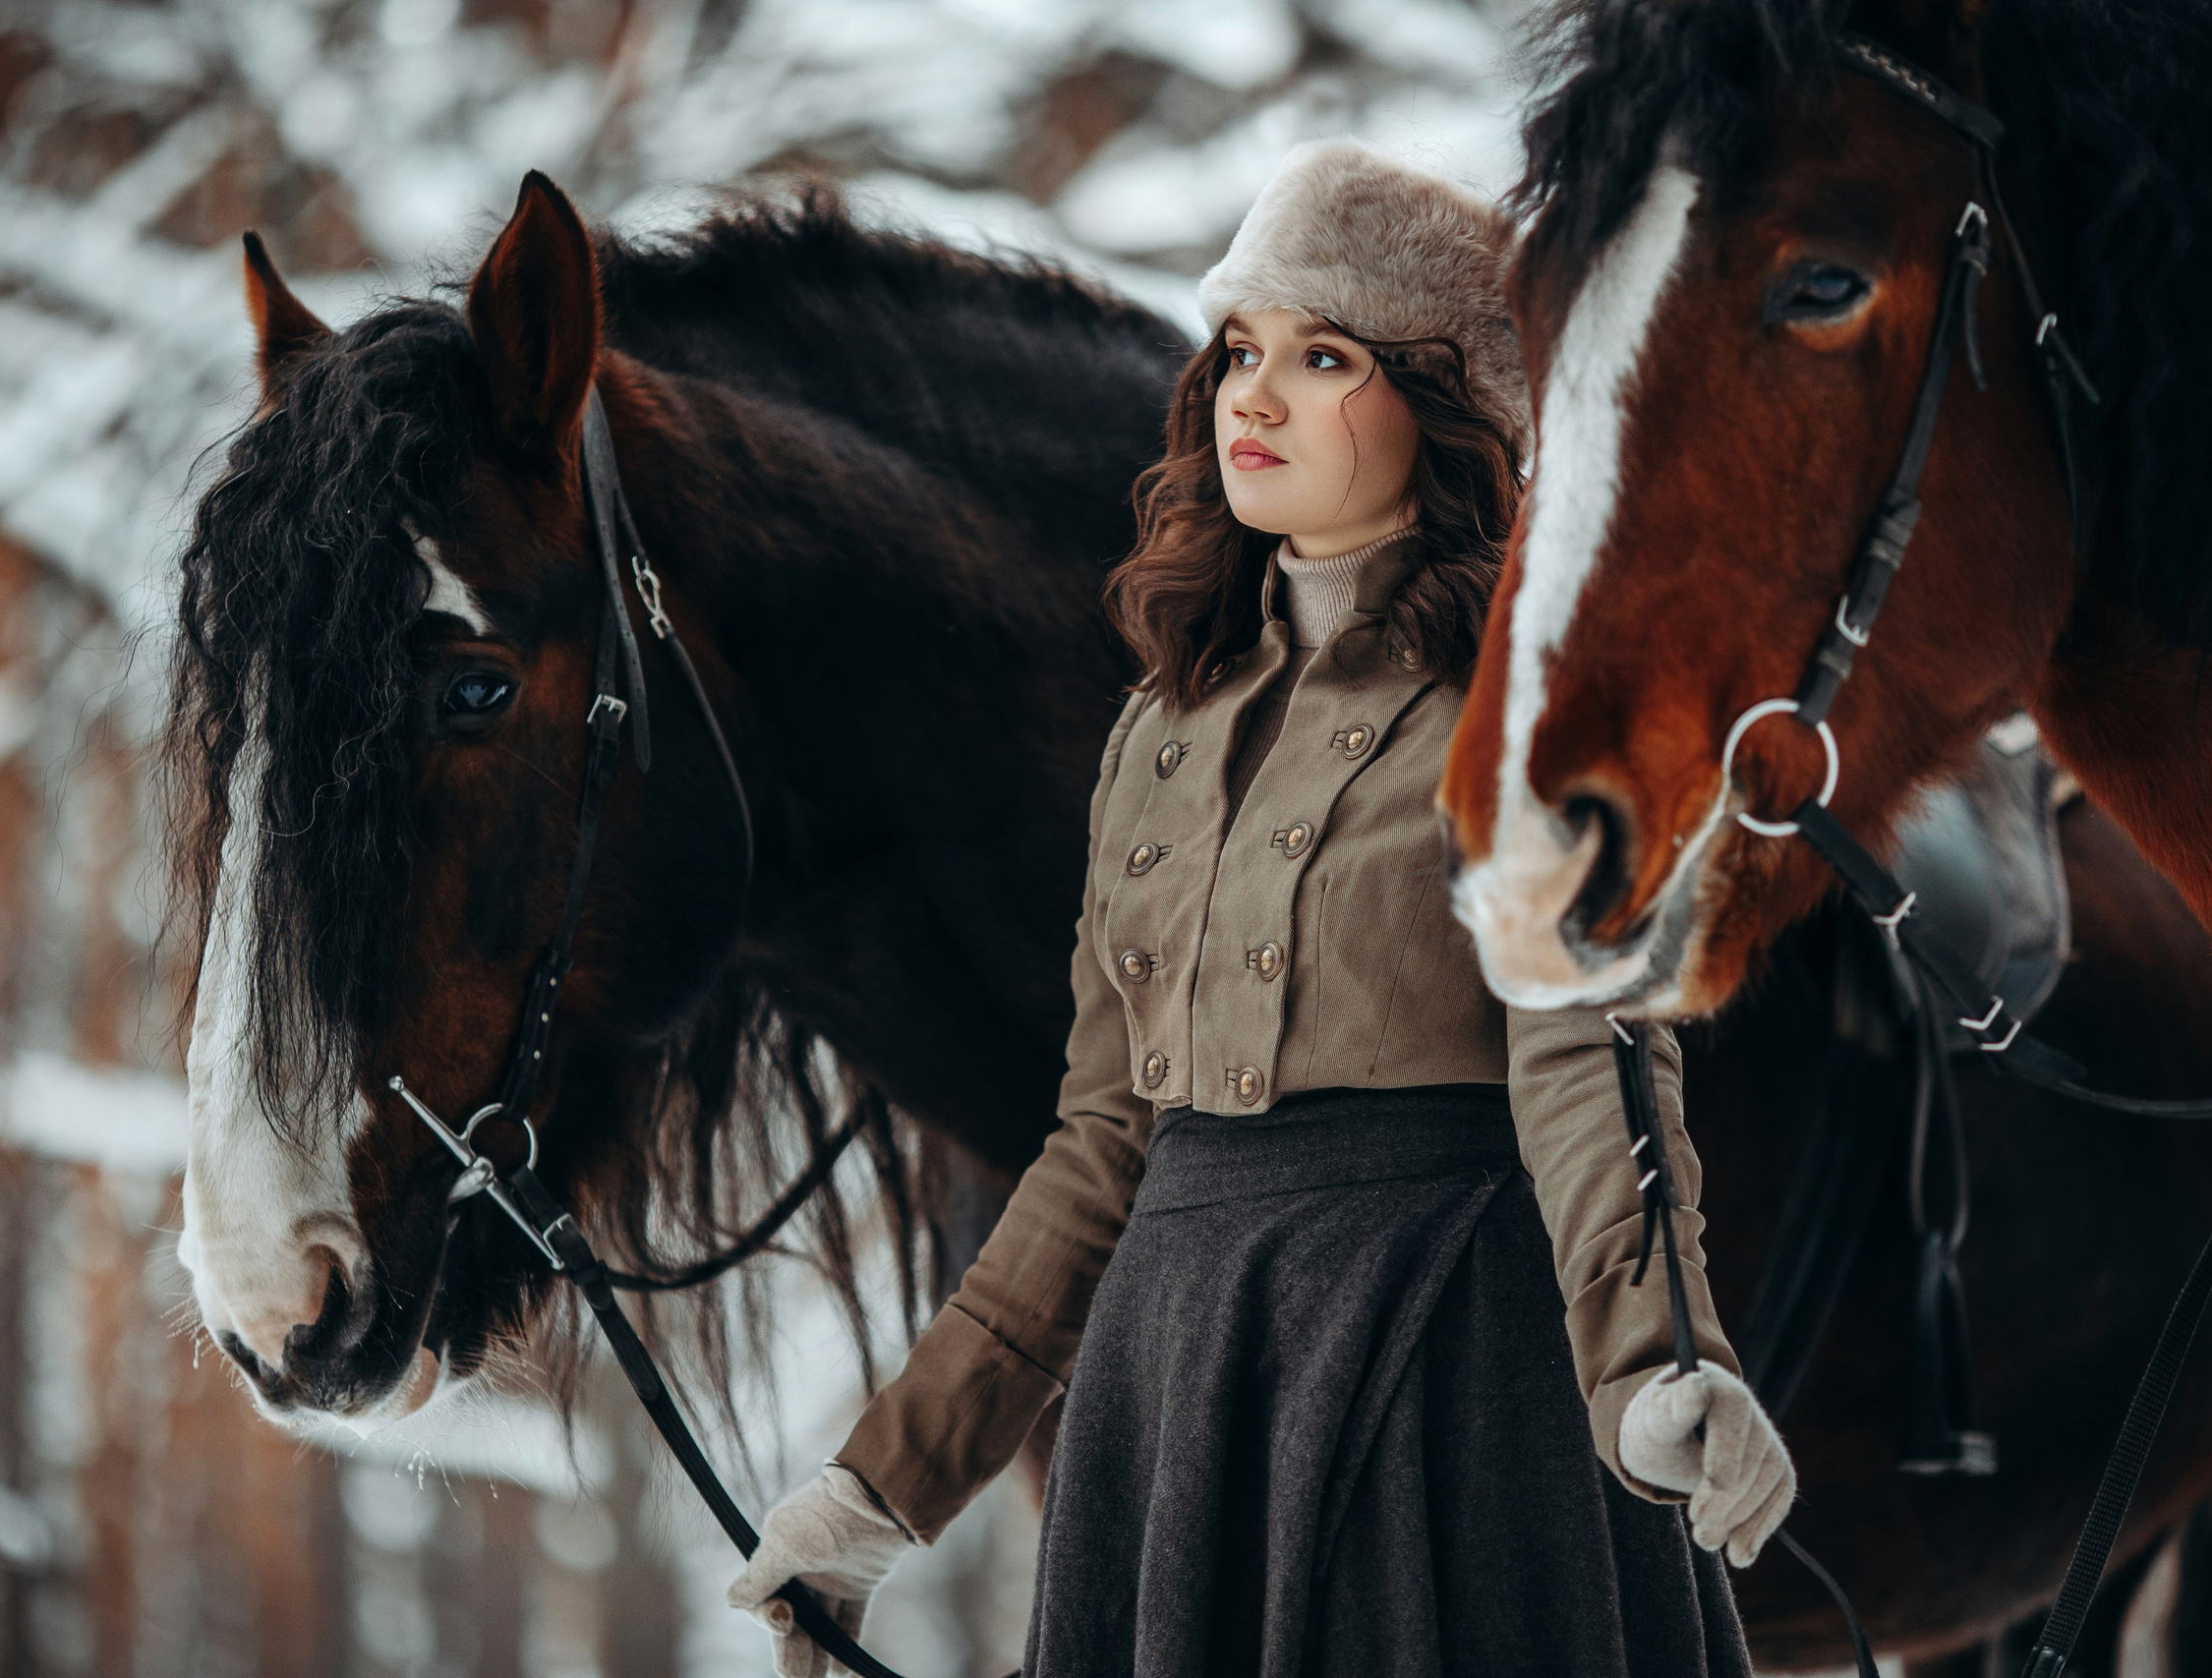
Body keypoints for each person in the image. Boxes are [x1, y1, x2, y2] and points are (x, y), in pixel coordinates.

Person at [728, 139, 1791, 1677]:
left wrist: (1654, 1366)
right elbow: (1098, 1144)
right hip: (1179, 1371)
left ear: (1439, 409)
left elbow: (1587, 1068)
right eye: (1238, 351)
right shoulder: (1159, 732)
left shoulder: (1526, 711)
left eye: (1323, 355)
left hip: (1452, 1361)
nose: (1255, 397)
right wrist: (883, 1486)